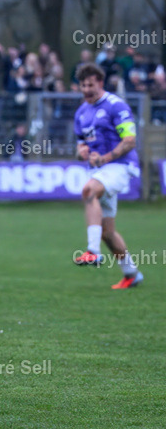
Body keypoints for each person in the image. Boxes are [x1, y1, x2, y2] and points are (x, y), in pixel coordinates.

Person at [71, 63, 143, 289]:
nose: (86, 90)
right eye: (83, 85)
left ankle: (92, 251)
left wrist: (106, 158)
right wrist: (81, 152)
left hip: (120, 166)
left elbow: (130, 140)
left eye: (90, 85)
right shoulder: (82, 112)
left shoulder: (115, 105)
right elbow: (80, 146)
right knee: (108, 232)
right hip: (100, 170)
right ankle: (131, 273)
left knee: (88, 190)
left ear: (100, 83)